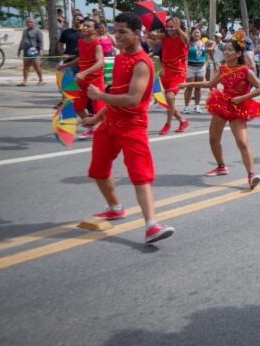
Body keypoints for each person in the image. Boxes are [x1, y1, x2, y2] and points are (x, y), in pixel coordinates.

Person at [81, 12, 175, 244]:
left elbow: (132, 99)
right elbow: (115, 94)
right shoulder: (121, 57)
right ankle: (115, 207)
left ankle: (151, 225)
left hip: (133, 126)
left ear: (137, 33)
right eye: (116, 31)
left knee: (140, 176)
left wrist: (99, 95)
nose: (117, 36)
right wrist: (97, 118)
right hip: (110, 123)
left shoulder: (142, 63)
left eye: (123, 31)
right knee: (98, 170)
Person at [179, 40, 260, 188]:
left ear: (238, 54)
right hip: (223, 104)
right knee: (213, 138)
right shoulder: (223, 68)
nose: (226, 52)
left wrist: (242, 98)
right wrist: (188, 84)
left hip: (238, 107)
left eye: (230, 50)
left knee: (242, 142)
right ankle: (221, 166)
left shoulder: (246, 70)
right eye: (225, 50)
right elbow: (210, 84)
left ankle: (251, 175)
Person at [56, 18, 105, 139]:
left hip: (95, 81)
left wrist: (85, 73)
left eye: (88, 26)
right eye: (84, 26)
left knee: (100, 112)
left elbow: (100, 62)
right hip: (82, 81)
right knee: (77, 106)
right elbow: (81, 59)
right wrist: (65, 65)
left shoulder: (97, 44)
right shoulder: (81, 42)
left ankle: (106, 131)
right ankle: (91, 127)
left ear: (95, 30)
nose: (85, 28)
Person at [148, 17, 190, 135]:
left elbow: (186, 40)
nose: (170, 28)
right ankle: (182, 120)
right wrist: (147, 27)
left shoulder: (182, 37)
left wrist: (178, 29)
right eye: (168, 26)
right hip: (165, 73)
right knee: (168, 100)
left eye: (172, 26)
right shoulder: (164, 36)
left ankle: (168, 124)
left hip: (178, 73)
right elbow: (153, 35)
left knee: (170, 97)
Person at [183, 27, 207, 114]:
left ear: (200, 34)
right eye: (195, 33)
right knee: (189, 87)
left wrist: (211, 47)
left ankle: (197, 106)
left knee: (198, 88)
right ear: (192, 34)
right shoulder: (188, 43)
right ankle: (186, 107)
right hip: (190, 67)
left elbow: (213, 44)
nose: (197, 34)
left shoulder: (204, 42)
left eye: (198, 33)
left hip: (201, 67)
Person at [16, 17, 44, 86]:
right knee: (25, 66)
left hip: (35, 51)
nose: (29, 23)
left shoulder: (38, 31)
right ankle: (24, 81)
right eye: (27, 22)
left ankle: (41, 80)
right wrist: (19, 49)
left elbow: (41, 41)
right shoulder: (25, 31)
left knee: (36, 66)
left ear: (34, 23)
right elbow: (22, 40)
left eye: (30, 22)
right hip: (26, 52)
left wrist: (41, 50)